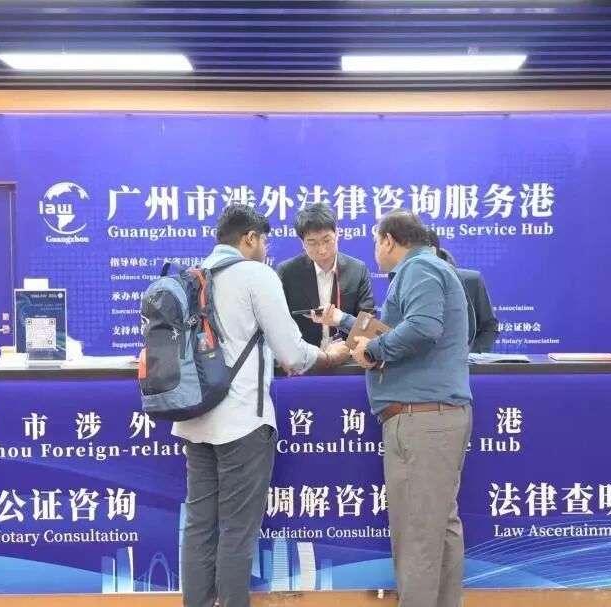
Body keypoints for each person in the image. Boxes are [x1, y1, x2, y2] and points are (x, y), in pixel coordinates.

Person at [174, 204, 350, 607]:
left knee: (199, 525)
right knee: (237, 529)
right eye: (264, 241)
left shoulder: (191, 278)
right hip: (242, 420)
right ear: (250, 238)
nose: (266, 249)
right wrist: (330, 356)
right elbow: (292, 352)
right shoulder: (257, 275)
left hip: (194, 417)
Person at [316, 210, 472, 607]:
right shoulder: (428, 269)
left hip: (422, 418)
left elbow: (422, 327)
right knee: (437, 527)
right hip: (433, 416)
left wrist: (374, 350)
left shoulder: (418, 269)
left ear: (388, 240)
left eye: (375, 243)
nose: (375, 252)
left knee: (418, 531)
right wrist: (347, 323)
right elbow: (400, 328)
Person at [276, 203, 375, 346]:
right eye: (312, 243)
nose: (322, 250)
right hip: (305, 355)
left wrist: (345, 328)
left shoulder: (357, 270)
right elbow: (279, 322)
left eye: (327, 240)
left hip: (347, 354)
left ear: (337, 234)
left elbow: (368, 324)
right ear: (303, 243)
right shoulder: (287, 272)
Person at [426, 229, 500, 354]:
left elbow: (489, 327)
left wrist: (469, 354)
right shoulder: (403, 282)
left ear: (431, 251)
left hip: (461, 363)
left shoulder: (470, 281)